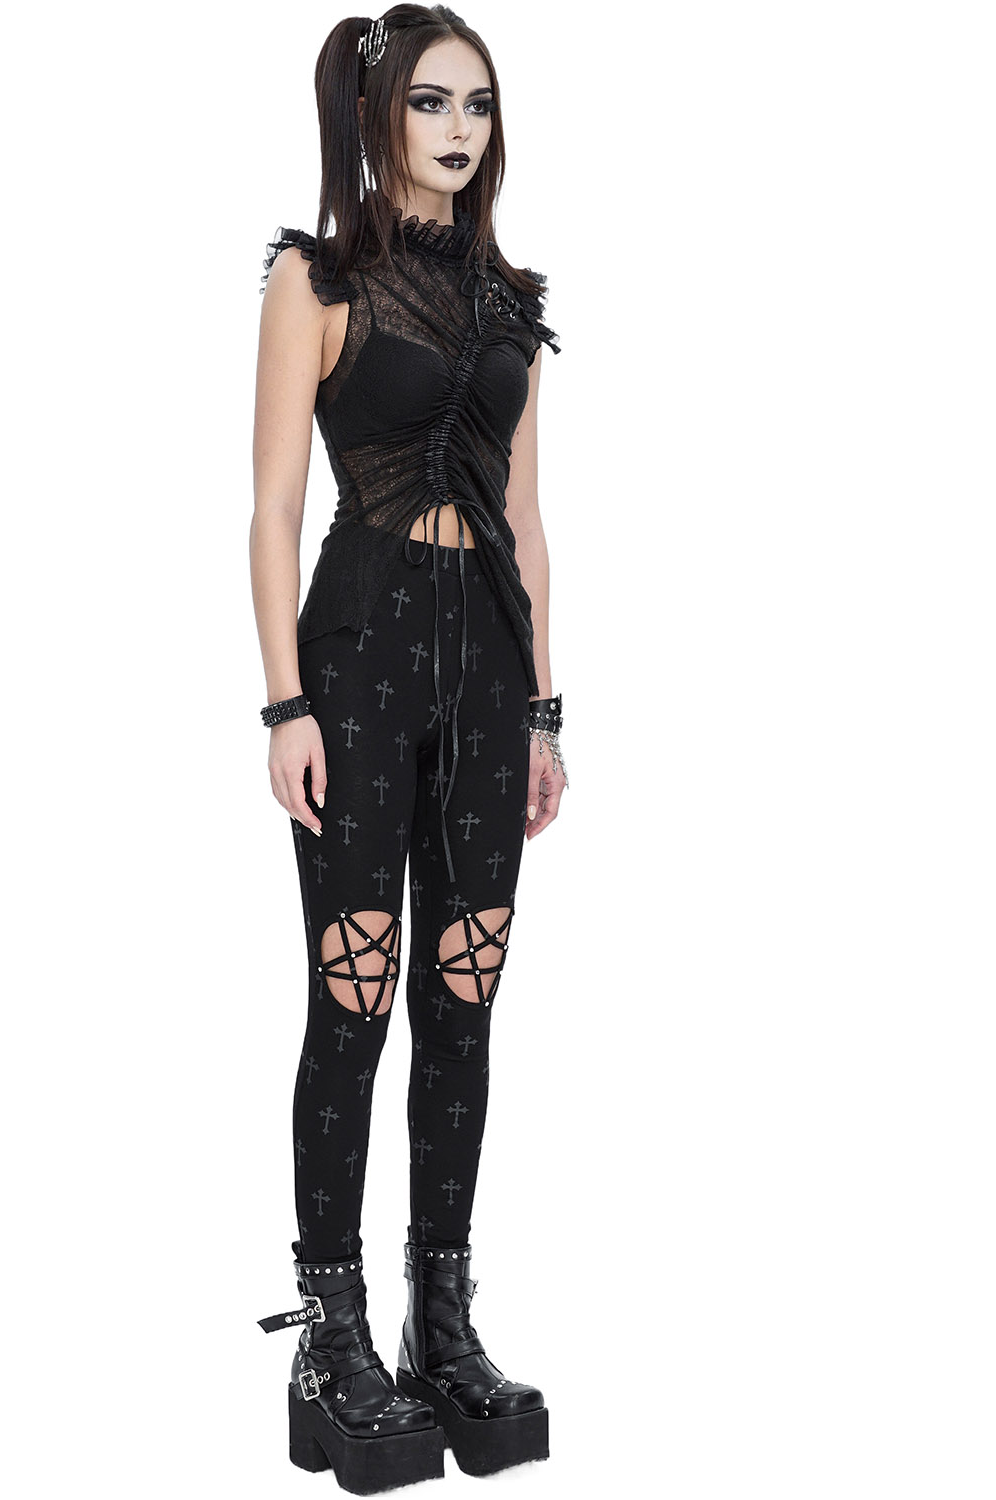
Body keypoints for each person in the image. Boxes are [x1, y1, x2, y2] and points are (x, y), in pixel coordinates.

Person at [251, 7, 569, 1488]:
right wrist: (284, 705)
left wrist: (546, 710)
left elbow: (528, 519)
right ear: (381, 116)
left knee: (467, 994)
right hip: (362, 649)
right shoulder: (316, 280)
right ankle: (333, 1337)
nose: (458, 129)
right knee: (355, 991)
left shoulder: (512, 303)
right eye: (433, 102)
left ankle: (443, 1322)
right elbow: (269, 507)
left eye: (479, 106)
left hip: (488, 662)